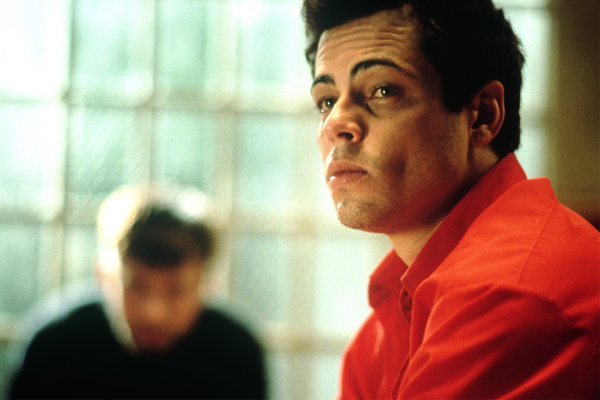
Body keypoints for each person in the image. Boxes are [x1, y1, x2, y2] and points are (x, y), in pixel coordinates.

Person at [302, 0, 600, 398]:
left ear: (482, 115)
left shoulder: (510, 297)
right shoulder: (378, 335)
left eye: (383, 90)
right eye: (326, 100)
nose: (335, 123)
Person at [9, 184, 267, 399]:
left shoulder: (235, 354)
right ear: (104, 276)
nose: (153, 313)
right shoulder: (54, 347)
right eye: (135, 287)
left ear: (208, 285)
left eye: (176, 292)